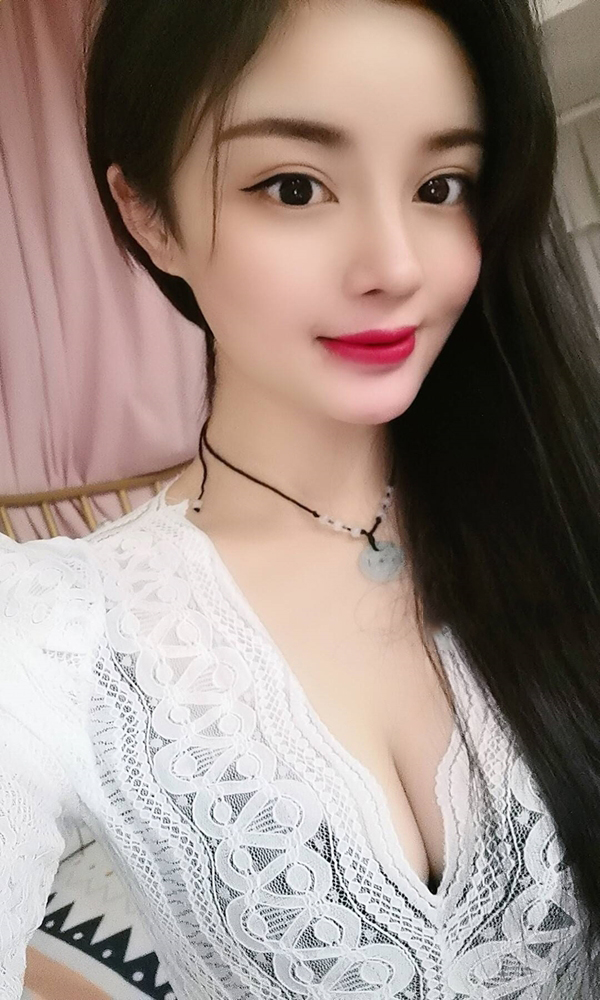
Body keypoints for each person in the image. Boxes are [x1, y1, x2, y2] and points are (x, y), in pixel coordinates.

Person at [2, 0, 600, 996]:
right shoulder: (60, 633)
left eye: (440, 187)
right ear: (149, 215)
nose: (396, 267)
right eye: (294, 186)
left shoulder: (561, 498)